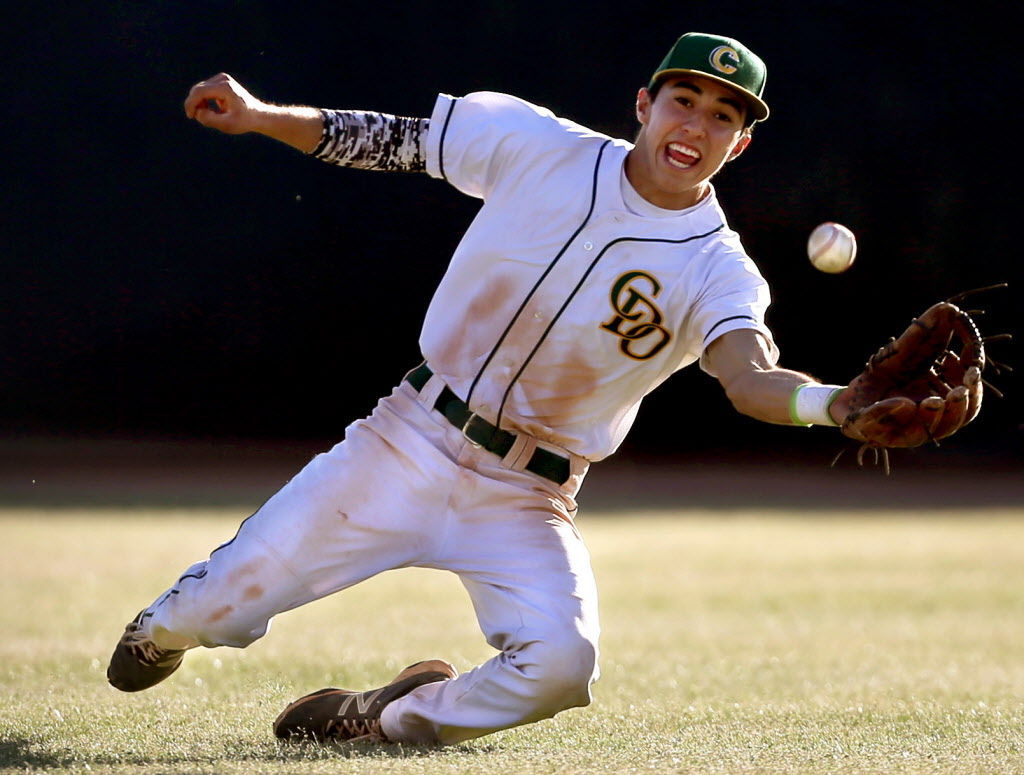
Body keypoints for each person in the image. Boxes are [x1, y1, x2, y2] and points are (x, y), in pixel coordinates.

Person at [106, 32, 859, 745]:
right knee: (201, 610)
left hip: (527, 496)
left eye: (723, 115)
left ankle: (387, 717)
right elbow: (394, 140)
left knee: (563, 665)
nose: (697, 123)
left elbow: (750, 377)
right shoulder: (539, 145)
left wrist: (836, 404)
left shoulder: (718, 269)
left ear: (741, 142)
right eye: (684, 100)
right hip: (408, 440)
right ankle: (163, 625)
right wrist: (264, 116)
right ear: (644, 105)